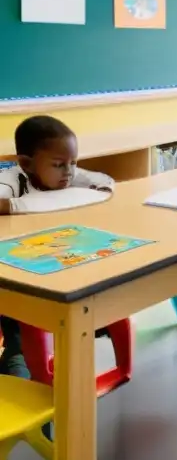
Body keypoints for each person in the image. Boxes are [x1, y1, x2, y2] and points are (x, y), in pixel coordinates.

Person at [0, 115, 114, 381]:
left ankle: (79, 325)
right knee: (21, 315)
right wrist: (15, 205)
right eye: (59, 165)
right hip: (15, 268)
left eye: (73, 163)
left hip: (55, 254)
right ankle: (16, 351)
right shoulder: (12, 180)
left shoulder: (66, 176)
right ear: (26, 164)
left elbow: (105, 183)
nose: (69, 173)